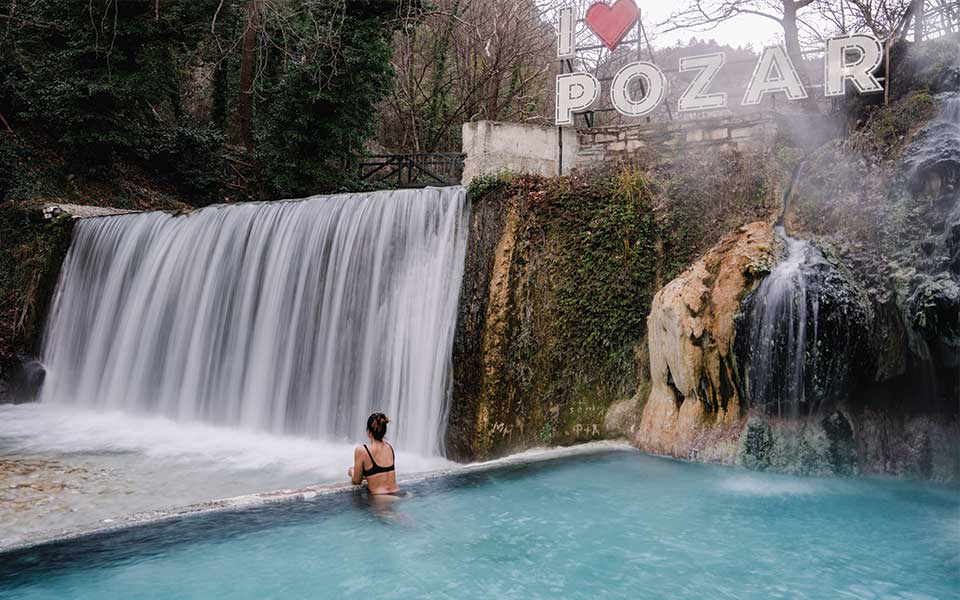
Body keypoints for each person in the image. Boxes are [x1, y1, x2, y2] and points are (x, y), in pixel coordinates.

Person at [348, 412, 401, 495]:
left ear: (368, 432)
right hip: (398, 493)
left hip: (381, 499)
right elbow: (380, 474)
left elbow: (356, 481)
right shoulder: (389, 448)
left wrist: (352, 472)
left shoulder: (362, 450)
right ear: (384, 432)